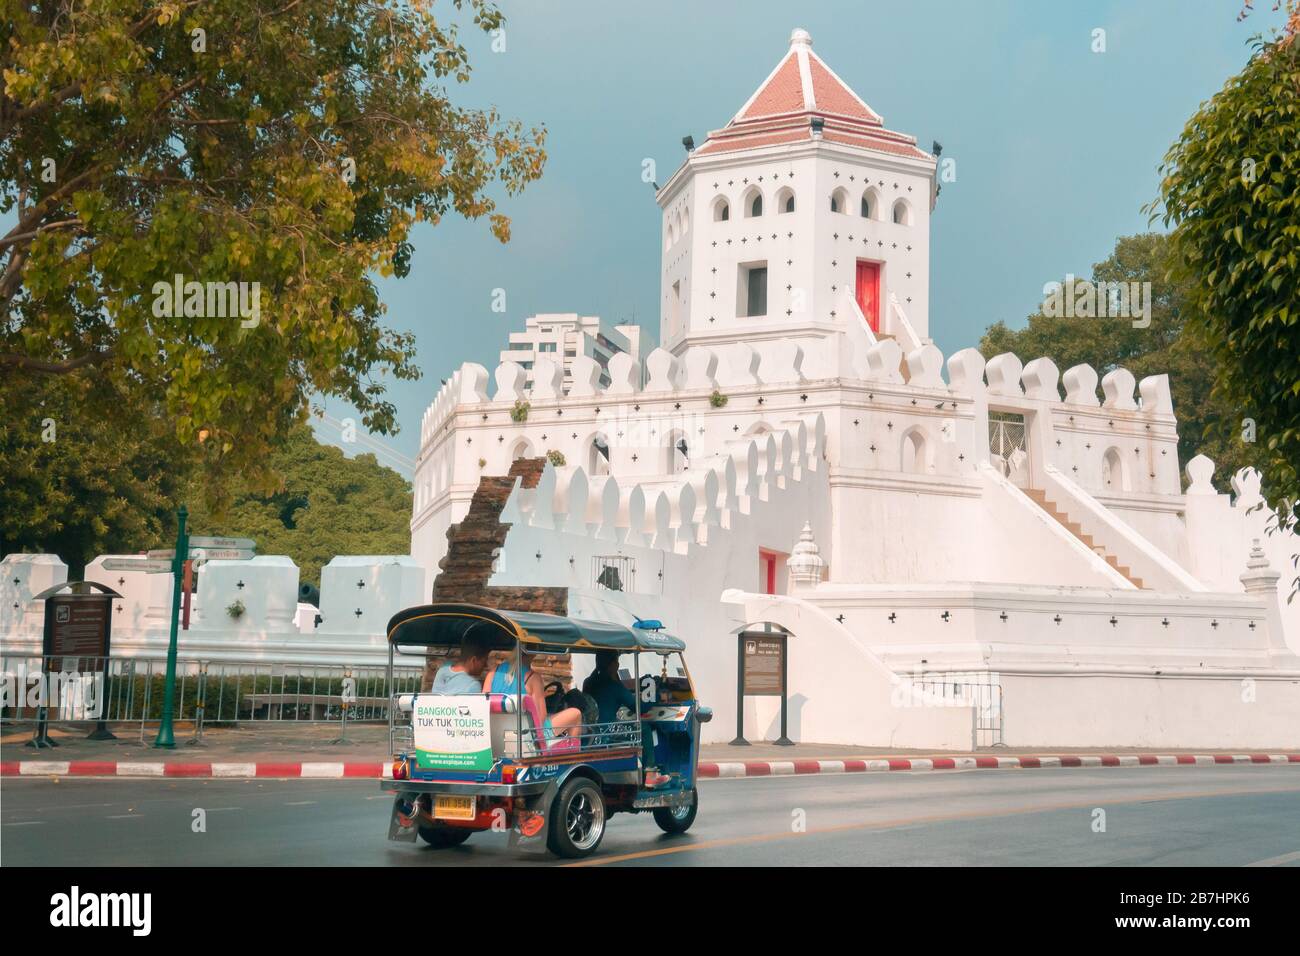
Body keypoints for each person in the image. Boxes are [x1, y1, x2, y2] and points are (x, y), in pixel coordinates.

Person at [482, 652, 583, 743]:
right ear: (534, 652)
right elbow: (541, 718)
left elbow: (483, 705)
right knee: (575, 713)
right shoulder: (533, 678)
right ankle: (571, 758)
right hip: (528, 737)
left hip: (495, 735)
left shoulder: (492, 673)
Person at [581, 650, 637, 725]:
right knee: (645, 727)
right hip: (607, 730)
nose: (618, 664)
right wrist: (654, 696)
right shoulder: (615, 686)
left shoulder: (588, 682)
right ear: (612, 664)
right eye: (616, 661)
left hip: (590, 727)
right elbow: (636, 707)